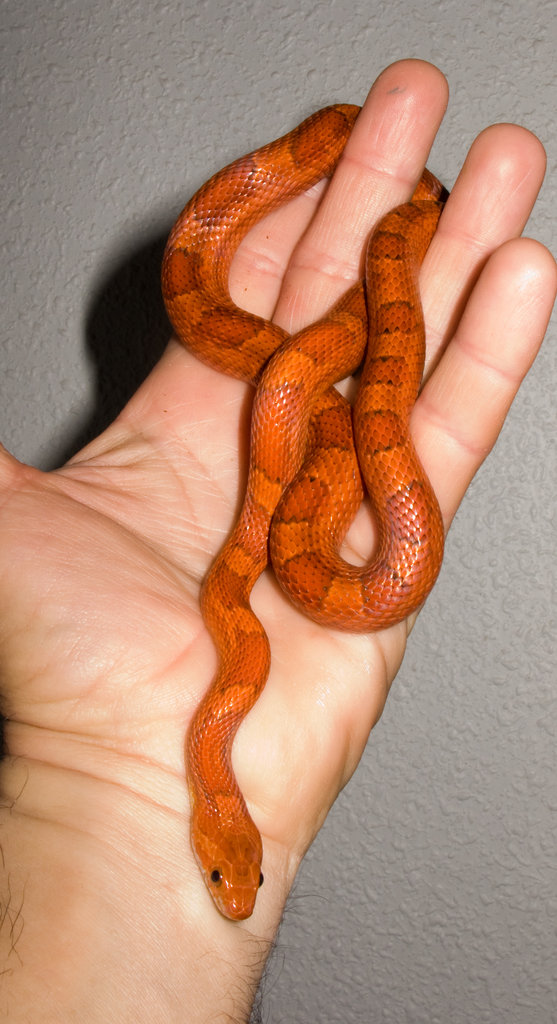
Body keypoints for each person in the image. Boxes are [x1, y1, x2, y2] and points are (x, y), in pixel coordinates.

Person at [0, 59, 555, 1022]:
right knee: (326, 367)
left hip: (308, 418)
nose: (229, 894)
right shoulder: (230, 680)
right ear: (231, 825)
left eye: (225, 879)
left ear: (227, 829)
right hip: (309, 413)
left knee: (335, 356)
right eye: (228, 880)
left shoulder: (234, 675)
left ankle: (401, 231)